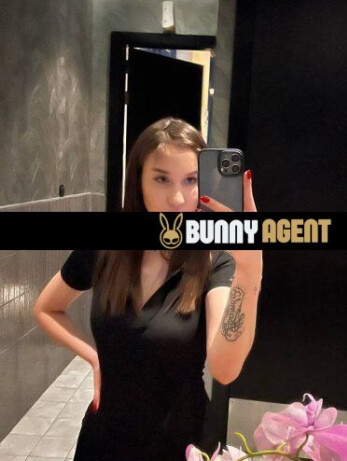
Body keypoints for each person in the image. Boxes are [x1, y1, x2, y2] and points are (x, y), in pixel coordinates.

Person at [34, 117, 263, 461]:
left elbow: (224, 369)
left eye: (191, 180)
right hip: (104, 440)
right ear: (138, 181)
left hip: (183, 443)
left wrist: (249, 272)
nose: (177, 197)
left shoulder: (214, 257)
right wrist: (95, 357)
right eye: (161, 178)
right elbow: (47, 308)